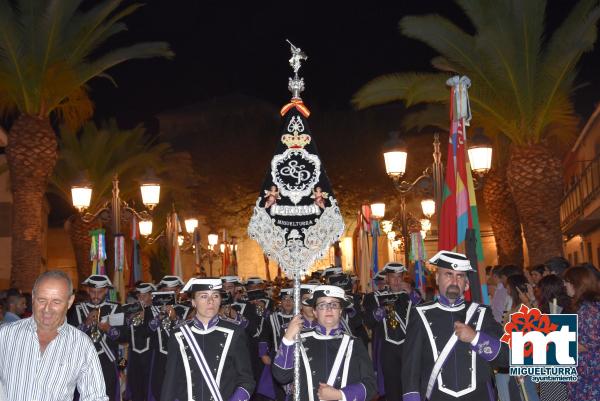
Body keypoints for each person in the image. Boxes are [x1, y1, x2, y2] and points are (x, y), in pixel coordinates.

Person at [402, 251, 509, 401]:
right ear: (437, 279)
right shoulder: (420, 314)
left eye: (460, 275)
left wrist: (476, 338)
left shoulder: (482, 313)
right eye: (448, 274)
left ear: (466, 284)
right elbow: (411, 366)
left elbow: (506, 357)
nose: (454, 280)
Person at [0, 270, 107, 401]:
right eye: (42, 300)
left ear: (70, 301)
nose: (47, 309)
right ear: (33, 297)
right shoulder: (5, 336)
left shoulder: (81, 345)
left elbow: (95, 396)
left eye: (56, 302)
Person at [272, 284, 376, 401]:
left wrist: (340, 395)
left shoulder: (354, 343)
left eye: (334, 304)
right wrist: (288, 337)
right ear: (315, 312)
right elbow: (281, 376)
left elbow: (371, 386)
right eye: (322, 305)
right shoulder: (299, 340)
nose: (329, 309)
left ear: (340, 311)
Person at [161, 277, 255, 401]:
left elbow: (246, 380)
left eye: (215, 296)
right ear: (193, 302)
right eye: (204, 296)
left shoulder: (235, 332)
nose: (211, 301)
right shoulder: (178, 334)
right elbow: (170, 381)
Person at [364, 262, 418, 401]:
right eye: (393, 277)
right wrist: (380, 311)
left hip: (409, 348)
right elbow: (368, 322)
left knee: (411, 386)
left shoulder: (410, 295)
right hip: (388, 349)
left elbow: (423, 313)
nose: (396, 281)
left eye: (399, 277)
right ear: (387, 278)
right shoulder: (375, 297)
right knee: (392, 390)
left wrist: (411, 294)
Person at [68, 274, 126, 401]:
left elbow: (124, 337)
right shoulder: (77, 309)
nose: (95, 296)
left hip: (108, 362)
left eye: (99, 292)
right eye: (93, 292)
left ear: (105, 291)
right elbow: (69, 338)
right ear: (88, 290)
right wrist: (85, 324)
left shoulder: (116, 308)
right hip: (83, 362)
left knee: (108, 395)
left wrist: (108, 329)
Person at [149, 275, 190, 401]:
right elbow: (146, 332)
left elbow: (188, 333)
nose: (168, 294)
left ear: (178, 291)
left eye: (173, 291)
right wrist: (160, 315)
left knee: (180, 392)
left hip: (180, 358)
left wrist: (175, 318)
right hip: (159, 359)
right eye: (165, 290)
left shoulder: (187, 309)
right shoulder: (152, 310)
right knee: (159, 391)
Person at [563, 266, 600, 401]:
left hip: (590, 376)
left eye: (567, 281)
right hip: (585, 374)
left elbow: (589, 344)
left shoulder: (589, 310)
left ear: (577, 284)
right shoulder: (587, 307)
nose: (565, 285)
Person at [123, 282, 156, 401]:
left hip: (151, 356)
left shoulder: (156, 312)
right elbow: (123, 336)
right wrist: (129, 320)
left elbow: (149, 332)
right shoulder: (130, 311)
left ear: (151, 296)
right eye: (139, 296)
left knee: (151, 389)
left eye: (144, 295)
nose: (141, 299)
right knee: (136, 389)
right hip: (134, 356)